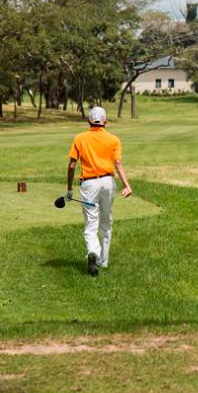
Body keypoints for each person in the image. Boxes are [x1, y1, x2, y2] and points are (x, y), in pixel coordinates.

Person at [66, 106, 133, 277]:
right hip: (108, 183)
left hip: (89, 184)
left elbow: (72, 165)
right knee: (106, 221)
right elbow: (118, 164)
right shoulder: (114, 140)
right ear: (105, 122)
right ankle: (102, 261)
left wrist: (68, 188)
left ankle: (92, 253)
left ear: (89, 121)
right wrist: (127, 185)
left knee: (91, 223)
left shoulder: (79, 138)